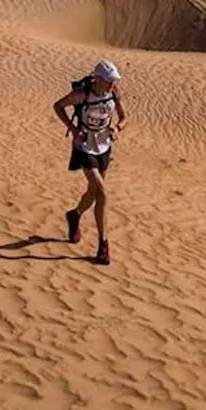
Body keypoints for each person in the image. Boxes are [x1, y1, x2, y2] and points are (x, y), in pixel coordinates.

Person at [53, 59, 125, 265]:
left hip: (104, 147)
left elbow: (123, 117)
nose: (112, 84)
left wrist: (118, 128)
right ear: (98, 78)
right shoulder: (82, 95)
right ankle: (103, 245)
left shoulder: (114, 94)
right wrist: (73, 129)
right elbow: (58, 106)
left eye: (113, 80)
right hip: (84, 148)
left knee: (93, 193)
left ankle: (74, 215)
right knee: (102, 192)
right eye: (109, 80)